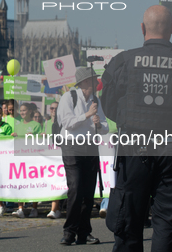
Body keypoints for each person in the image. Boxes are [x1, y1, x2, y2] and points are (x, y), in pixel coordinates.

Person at [101, 5, 172, 251]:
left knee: (128, 223)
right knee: (167, 225)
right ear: (171, 29)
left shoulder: (122, 62)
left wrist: (131, 123)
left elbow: (109, 106)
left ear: (142, 28)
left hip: (133, 150)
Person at [57, 67, 109, 245]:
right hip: (72, 147)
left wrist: (99, 125)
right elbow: (67, 123)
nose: (97, 82)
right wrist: (87, 115)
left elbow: (105, 126)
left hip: (91, 147)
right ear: (85, 82)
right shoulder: (68, 97)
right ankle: (69, 231)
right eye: (95, 80)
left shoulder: (96, 100)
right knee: (76, 188)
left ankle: (84, 232)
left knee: (88, 192)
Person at [11, 103, 43, 218]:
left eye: (24, 110)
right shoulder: (18, 125)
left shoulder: (36, 125)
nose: (23, 112)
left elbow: (41, 140)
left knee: (33, 183)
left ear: (30, 111)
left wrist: (35, 137)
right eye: (21, 111)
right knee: (20, 182)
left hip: (32, 157)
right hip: (20, 157)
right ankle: (20, 208)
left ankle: (34, 208)